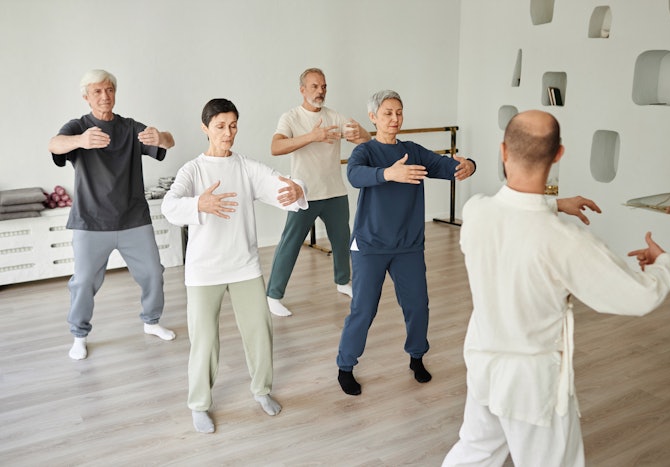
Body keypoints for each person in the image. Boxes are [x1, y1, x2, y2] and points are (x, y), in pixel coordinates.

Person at [442, 110, 670, 467]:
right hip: (532, 384)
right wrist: (663, 264)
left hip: (483, 364)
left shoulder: (475, 212)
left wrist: (554, 203)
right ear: (558, 155)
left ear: (503, 151)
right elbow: (641, 296)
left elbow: (516, 214)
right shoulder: (566, 241)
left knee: (475, 452)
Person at [161, 98, 308, 434]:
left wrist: (296, 190)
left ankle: (262, 390)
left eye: (233, 126)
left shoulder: (245, 167)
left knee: (260, 331)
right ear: (205, 128)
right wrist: (201, 202)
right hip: (203, 271)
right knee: (205, 340)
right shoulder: (193, 170)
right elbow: (170, 206)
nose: (228, 133)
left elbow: (280, 185)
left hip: (243, 265)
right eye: (220, 127)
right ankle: (199, 404)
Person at [335, 90, 477, 396]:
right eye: (387, 113)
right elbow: (355, 175)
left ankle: (416, 357)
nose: (394, 118)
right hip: (370, 246)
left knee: (417, 306)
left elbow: (446, 167)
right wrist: (390, 172)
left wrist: (470, 165)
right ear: (373, 117)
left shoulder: (413, 151)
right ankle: (345, 366)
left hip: (408, 246)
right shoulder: (366, 151)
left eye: (399, 112)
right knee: (363, 309)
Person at [48, 69, 176, 361]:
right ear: (86, 96)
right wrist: (79, 141)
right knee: (83, 282)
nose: (105, 96)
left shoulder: (130, 128)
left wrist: (163, 136)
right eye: (97, 91)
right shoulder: (78, 127)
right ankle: (79, 335)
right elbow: (54, 144)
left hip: (133, 218)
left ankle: (151, 322)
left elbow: (167, 142)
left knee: (153, 273)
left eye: (109, 90)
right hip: (91, 221)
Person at [265, 67, 371, 317]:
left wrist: (362, 132)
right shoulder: (290, 118)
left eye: (323, 86)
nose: (320, 91)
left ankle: (343, 282)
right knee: (289, 244)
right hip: (304, 194)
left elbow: (365, 140)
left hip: (334, 192)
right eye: (314, 86)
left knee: (343, 241)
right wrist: (312, 136)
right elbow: (275, 147)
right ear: (302, 90)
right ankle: (273, 295)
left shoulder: (335, 116)